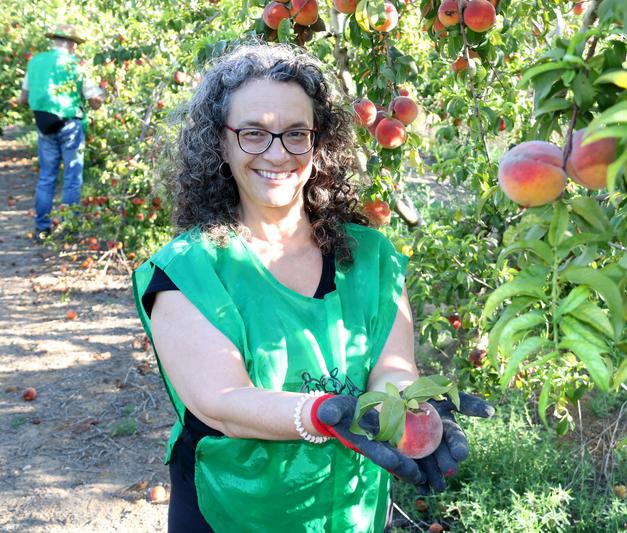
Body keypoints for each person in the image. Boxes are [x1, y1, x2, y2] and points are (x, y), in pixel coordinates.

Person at [131, 43, 493, 533]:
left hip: (350, 511)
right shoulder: (189, 269)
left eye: (296, 134)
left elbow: (393, 367)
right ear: (221, 142)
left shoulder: (372, 258)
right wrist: (321, 412)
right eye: (254, 133)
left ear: (318, 143)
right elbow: (221, 400)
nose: (277, 153)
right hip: (230, 513)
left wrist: (407, 406)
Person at [19, 23, 103, 241]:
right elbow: (94, 100)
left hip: (44, 125)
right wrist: (98, 98)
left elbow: (23, 99)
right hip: (70, 125)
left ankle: (42, 228)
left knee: (46, 177)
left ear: (55, 41)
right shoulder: (76, 65)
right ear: (71, 44)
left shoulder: (35, 62)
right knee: (72, 177)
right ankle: (69, 228)